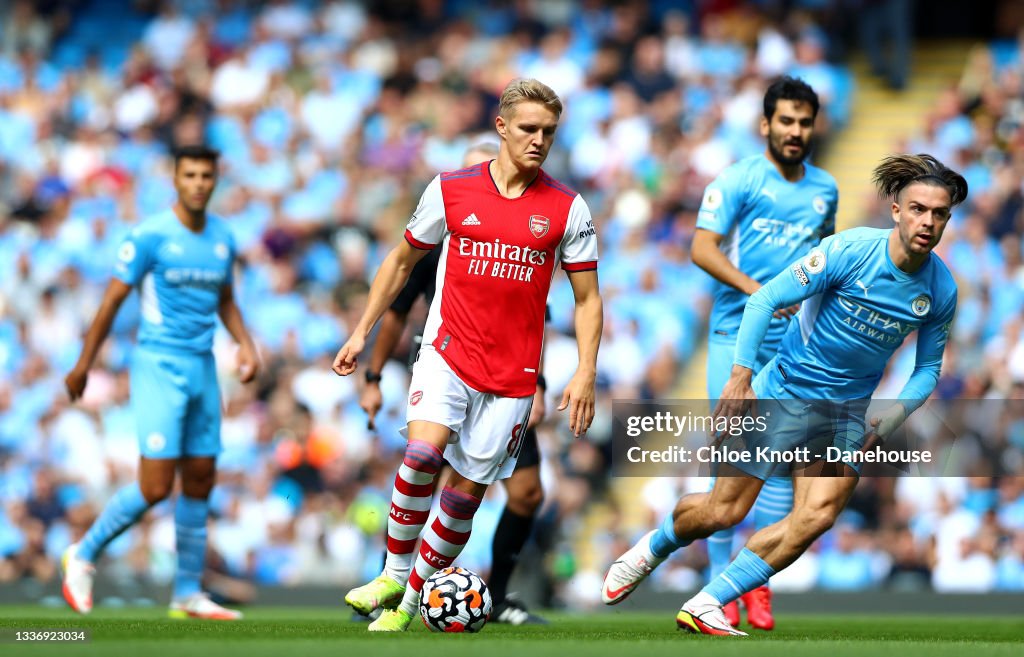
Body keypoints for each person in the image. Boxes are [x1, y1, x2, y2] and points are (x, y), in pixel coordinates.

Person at [333, 78, 603, 632]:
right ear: (502, 127)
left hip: (513, 375)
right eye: (528, 129)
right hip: (446, 351)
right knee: (422, 457)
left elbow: (588, 298)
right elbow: (402, 263)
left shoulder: (567, 208)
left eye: (548, 132)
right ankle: (392, 571)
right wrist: (362, 332)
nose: (538, 140)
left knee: (463, 499)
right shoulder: (450, 189)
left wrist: (585, 371)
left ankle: (407, 607)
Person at [669, 153, 965, 636]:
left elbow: (928, 367)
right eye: (918, 209)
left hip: (845, 414)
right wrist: (741, 377)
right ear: (896, 209)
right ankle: (657, 546)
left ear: (947, 219)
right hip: (785, 389)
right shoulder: (849, 250)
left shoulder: (942, 289)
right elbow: (767, 297)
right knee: (724, 510)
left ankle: (706, 601)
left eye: (938, 214)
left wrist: (888, 419)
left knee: (817, 516)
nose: (928, 221)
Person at [602, 76, 837, 631]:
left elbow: (824, 257)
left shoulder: (825, 188)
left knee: (781, 469)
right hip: (737, 338)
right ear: (765, 124)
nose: (796, 131)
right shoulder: (738, 179)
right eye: (786, 121)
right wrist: (762, 292)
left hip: (797, 344)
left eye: (804, 122)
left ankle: (756, 586)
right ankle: (720, 596)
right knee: (730, 469)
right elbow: (701, 248)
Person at [61, 145, 259, 620]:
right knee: (154, 486)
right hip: (158, 367)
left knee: (200, 479)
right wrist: (84, 363)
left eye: (206, 175)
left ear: (215, 181)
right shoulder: (150, 235)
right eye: (189, 174)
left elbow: (225, 298)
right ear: (175, 179)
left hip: (202, 368)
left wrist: (246, 345)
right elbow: (110, 302)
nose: (197, 183)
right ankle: (82, 554)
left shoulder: (223, 236)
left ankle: (187, 592)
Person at [359, 140, 549, 625]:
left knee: (523, 492)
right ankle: (395, 584)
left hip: (507, 380)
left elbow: (532, 319)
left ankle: (493, 595)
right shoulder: (436, 240)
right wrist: (374, 375)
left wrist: (541, 384)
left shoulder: (520, 243)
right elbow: (397, 313)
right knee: (425, 462)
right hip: (448, 364)